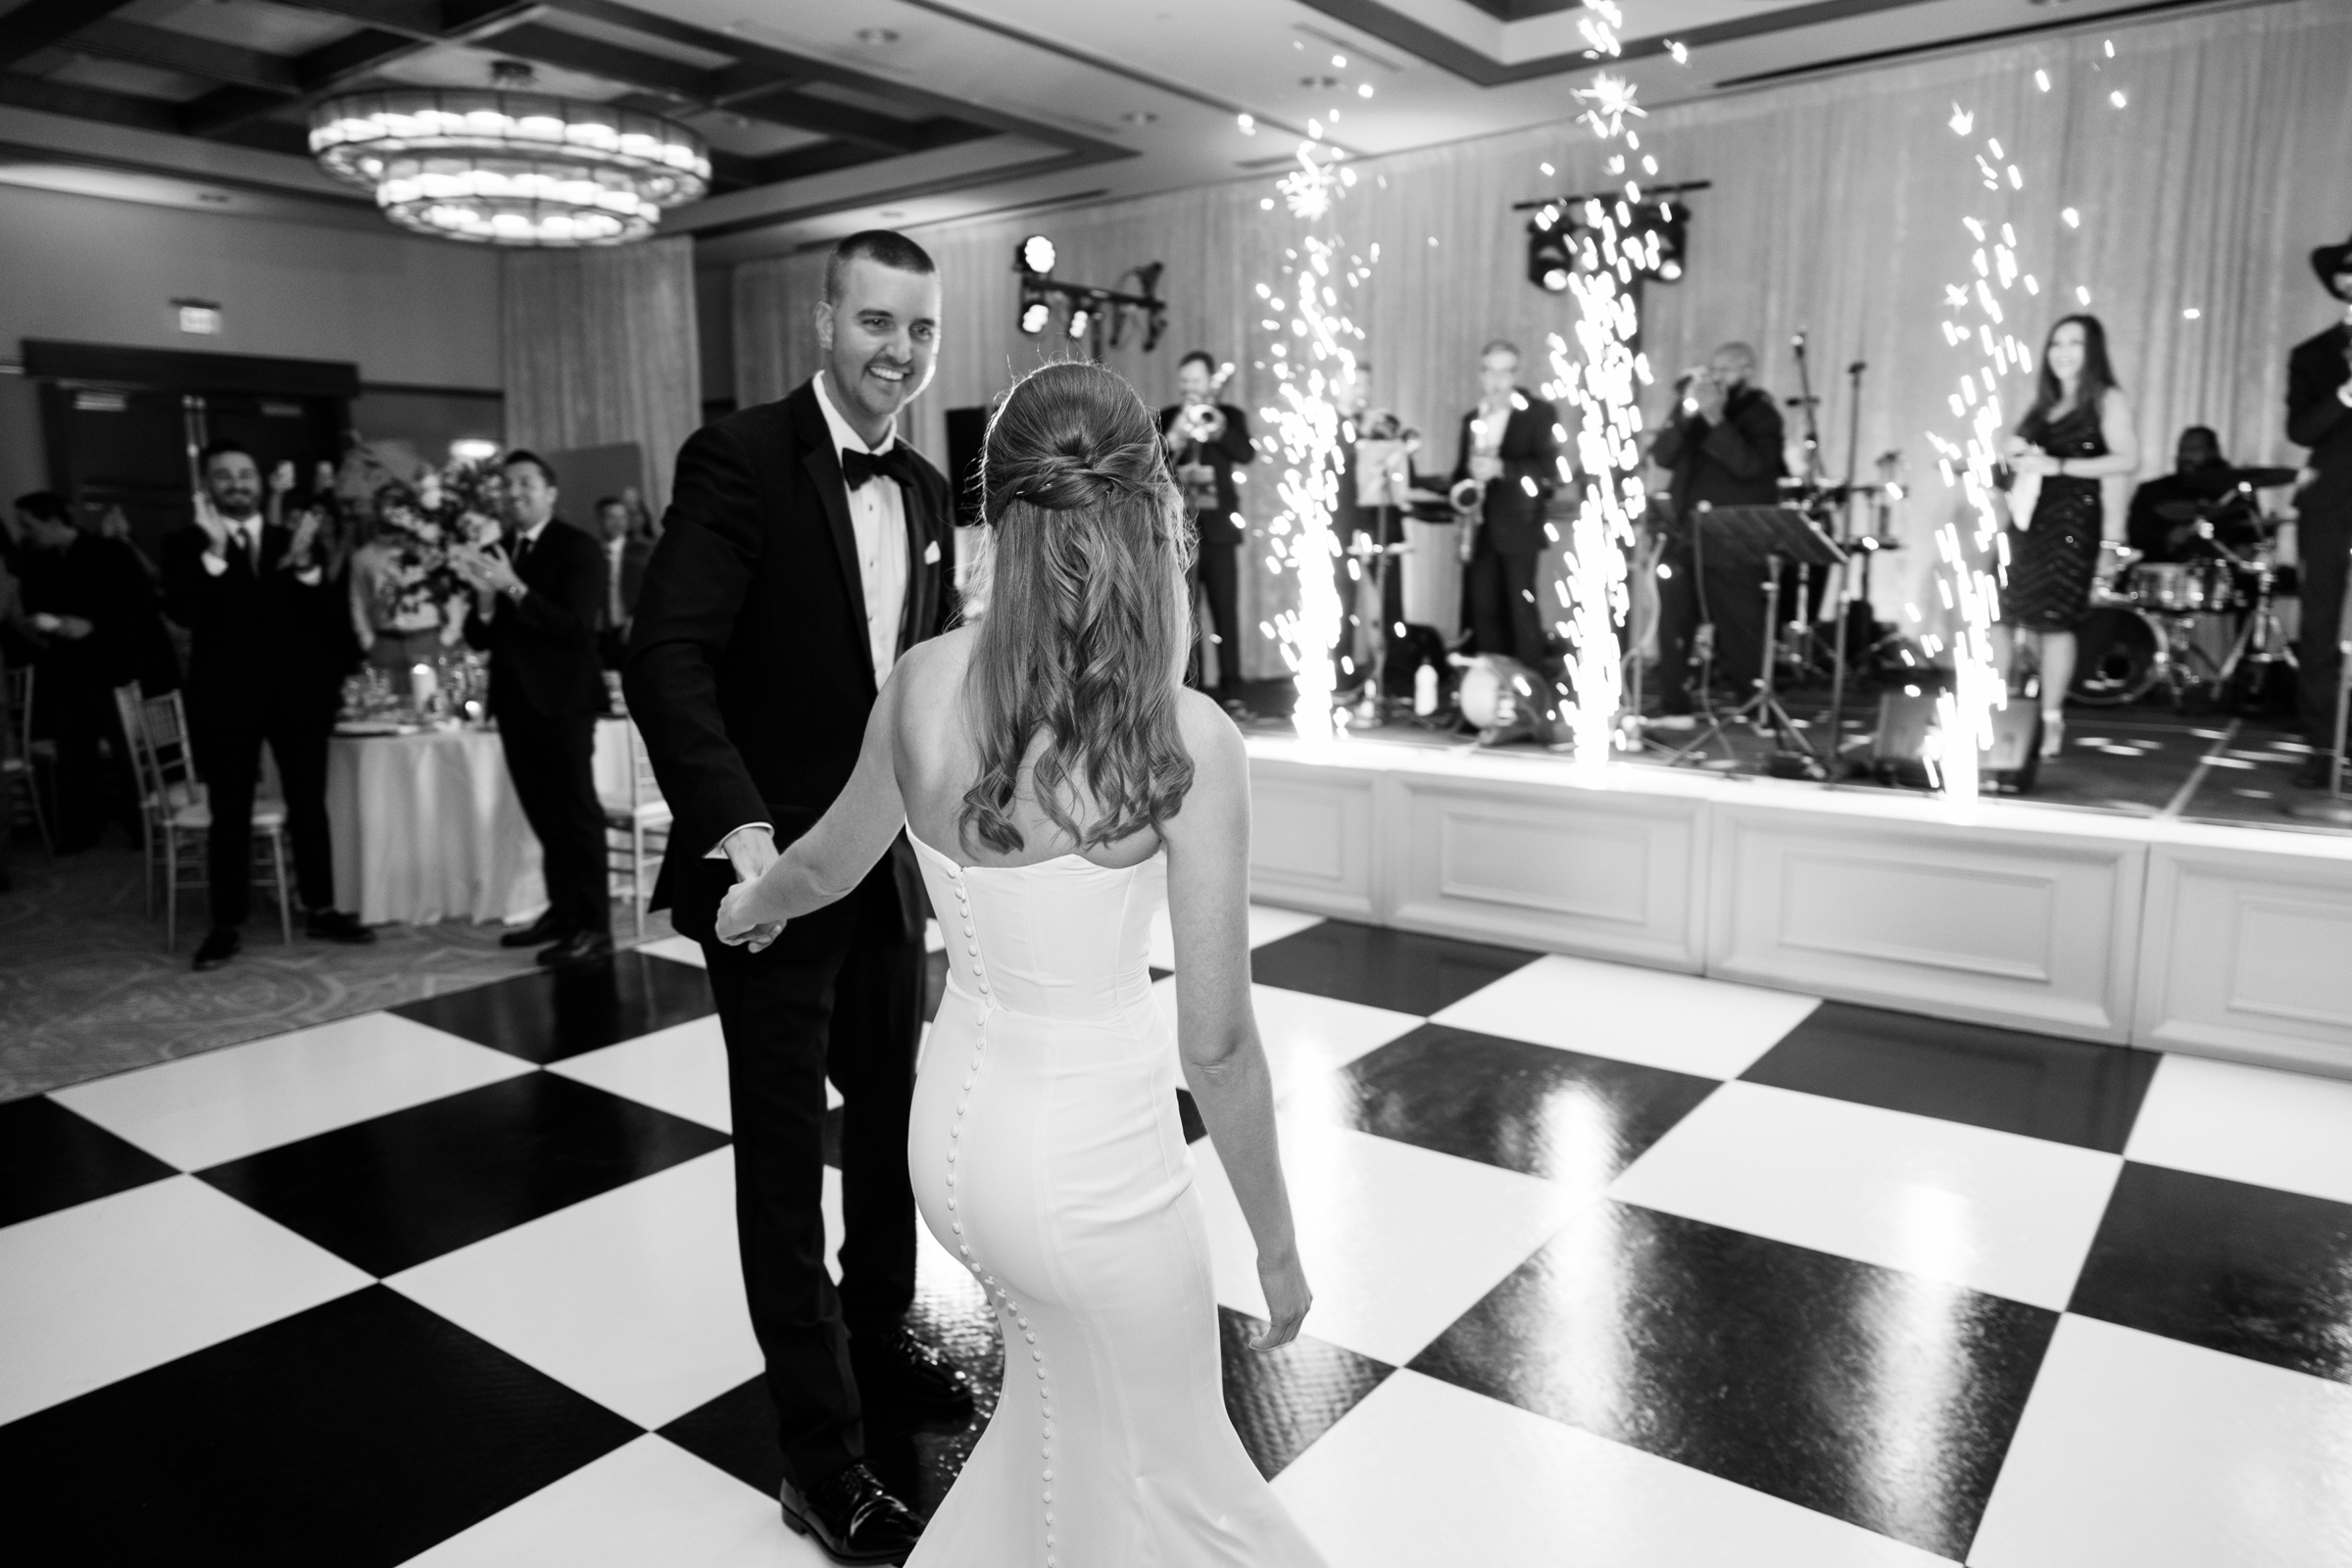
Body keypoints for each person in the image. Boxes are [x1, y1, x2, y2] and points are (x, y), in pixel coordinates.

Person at [714, 359, 1324, 1568]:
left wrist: (745, 906)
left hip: (955, 1153)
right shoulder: (1182, 736)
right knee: (1181, 1471)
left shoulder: (922, 680)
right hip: (1095, 1174)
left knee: (1060, 1423)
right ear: (1154, 509)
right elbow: (1217, 1044)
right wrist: (1280, 1246)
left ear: (998, 508)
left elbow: (826, 866)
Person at [624, 229, 967, 1561]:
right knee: (783, 1169)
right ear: (825, 321)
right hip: (767, 881)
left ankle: (882, 1354)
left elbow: (924, 694)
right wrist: (745, 835)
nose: (899, 352)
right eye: (878, 323)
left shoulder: (931, 492)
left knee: (889, 1132)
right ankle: (817, 1460)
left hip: (889, 877)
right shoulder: (739, 462)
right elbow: (668, 659)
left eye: (922, 332)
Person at [160, 443, 369, 969]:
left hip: (297, 698)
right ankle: (225, 924)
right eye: (224, 476)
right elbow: (185, 613)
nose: (237, 484)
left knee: (309, 807)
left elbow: (326, 619)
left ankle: (321, 908)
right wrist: (212, 554)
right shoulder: (184, 545)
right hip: (225, 701)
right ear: (208, 486)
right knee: (228, 814)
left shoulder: (292, 540)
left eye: (246, 474)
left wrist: (305, 571)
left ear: (260, 482)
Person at [450, 450, 612, 966]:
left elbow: (574, 627)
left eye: (524, 484)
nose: (513, 494)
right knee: (543, 815)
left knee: (576, 814)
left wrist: (513, 587)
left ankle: (594, 925)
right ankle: (562, 912)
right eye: (507, 486)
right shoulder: (499, 549)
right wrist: (484, 600)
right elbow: (480, 637)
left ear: (550, 492)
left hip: (564, 702)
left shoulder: (578, 547)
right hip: (515, 703)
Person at [2000, 315, 2141, 760]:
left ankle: (2050, 721)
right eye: (2055, 343)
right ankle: (1998, 708)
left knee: (2053, 623)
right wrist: (2011, 455)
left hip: (2071, 522)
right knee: (2000, 615)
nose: (2062, 352)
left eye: (2074, 343)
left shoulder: (2105, 399)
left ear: (2092, 350)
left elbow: (2127, 459)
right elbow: (2014, 467)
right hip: (2026, 519)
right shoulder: (2042, 406)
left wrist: (2059, 467)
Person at [17, 489, 179, 852]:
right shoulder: (38, 562)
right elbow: (33, 606)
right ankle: (80, 831)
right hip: (68, 669)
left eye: (29, 525)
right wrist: (41, 624)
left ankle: (142, 826)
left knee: (128, 752)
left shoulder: (110, 553)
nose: (26, 534)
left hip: (115, 666)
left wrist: (92, 627)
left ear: (53, 521)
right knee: (74, 752)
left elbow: (140, 609)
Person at [1645, 341, 1788, 726]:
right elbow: (1661, 455)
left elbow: (1750, 465)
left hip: (1733, 536)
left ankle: (1753, 705)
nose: (1717, 377)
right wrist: (1686, 412)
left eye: (1727, 370)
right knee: (1673, 617)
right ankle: (1675, 705)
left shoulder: (1762, 415)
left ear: (1747, 372)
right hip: (1686, 532)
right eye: (1714, 369)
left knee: (1740, 624)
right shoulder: (1695, 408)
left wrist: (1716, 419)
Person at [1450, 339, 1562, 670]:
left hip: (1518, 527)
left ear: (1517, 374)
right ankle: (1491, 689)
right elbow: (1459, 472)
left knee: (1521, 608)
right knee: (1484, 612)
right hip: (1480, 528)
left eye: (1505, 371)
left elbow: (1549, 472)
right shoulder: (1473, 418)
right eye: (1490, 371)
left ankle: (1528, 691)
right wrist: (1462, 488)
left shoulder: (1540, 413)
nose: (1497, 380)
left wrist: (1502, 469)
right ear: (1481, 374)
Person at [2289, 233, 2352, 788]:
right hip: (2332, 499)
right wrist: (2347, 394)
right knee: (2320, 623)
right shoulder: (2311, 356)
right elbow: (2301, 429)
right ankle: (2324, 746)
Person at [1160, 350, 1255, 710]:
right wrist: (1176, 436)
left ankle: (1233, 691)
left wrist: (1215, 429)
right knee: (1184, 613)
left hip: (1219, 530)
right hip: (1178, 532)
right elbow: (1152, 461)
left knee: (1225, 610)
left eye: (1195, 381)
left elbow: (1245, 454)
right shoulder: (1168, 417)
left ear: (1210, 381)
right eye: (1184, 381)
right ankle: (1189, 691)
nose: (1189, 388)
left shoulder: (1229, 416)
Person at [2125, 426, 2244, 563]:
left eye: (2194, 450)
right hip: (2164, 566)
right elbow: (2137, 537)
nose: (2186, 456)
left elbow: (2247, 537)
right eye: (2182, 450)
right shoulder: (2153, 491)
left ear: (2213, 453)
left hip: (2217, 569)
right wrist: (2167, 538)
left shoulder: (2233, 494)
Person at [594, 492, 655, 670]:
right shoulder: (591, 553)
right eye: (611, 517)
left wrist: (637, 618)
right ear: (600, 519)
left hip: (630, 628)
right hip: (599, 634)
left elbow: (652, 590)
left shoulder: (642, 551)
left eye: (623, 517)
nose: (618, 522)